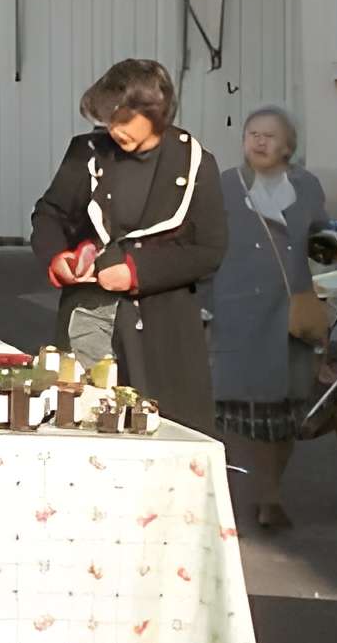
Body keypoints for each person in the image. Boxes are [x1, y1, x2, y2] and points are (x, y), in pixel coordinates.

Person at [30, 58, 222, 433]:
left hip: (163, 330)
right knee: (82, 425)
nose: (113, 130)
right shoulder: (85, 153)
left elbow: (209, 249)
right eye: (107, 120)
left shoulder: (196, 162)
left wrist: (136, 272)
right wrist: (59, 259)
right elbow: (49, 214)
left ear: (156, 112)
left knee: (162, 434)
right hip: (89, 320)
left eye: (122, 120)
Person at [207, 107, 328, 532]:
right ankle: (262, 497)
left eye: (270, 136)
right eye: (252, 134)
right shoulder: (224, 185)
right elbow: (206, 245)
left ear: (288, 145)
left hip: (290, 313)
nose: (259, 141)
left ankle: (270, 489)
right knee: (243, 412)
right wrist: (205, 300)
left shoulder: (306, 186)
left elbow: (322, 241)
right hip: (238, 312)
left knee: (285, 414)